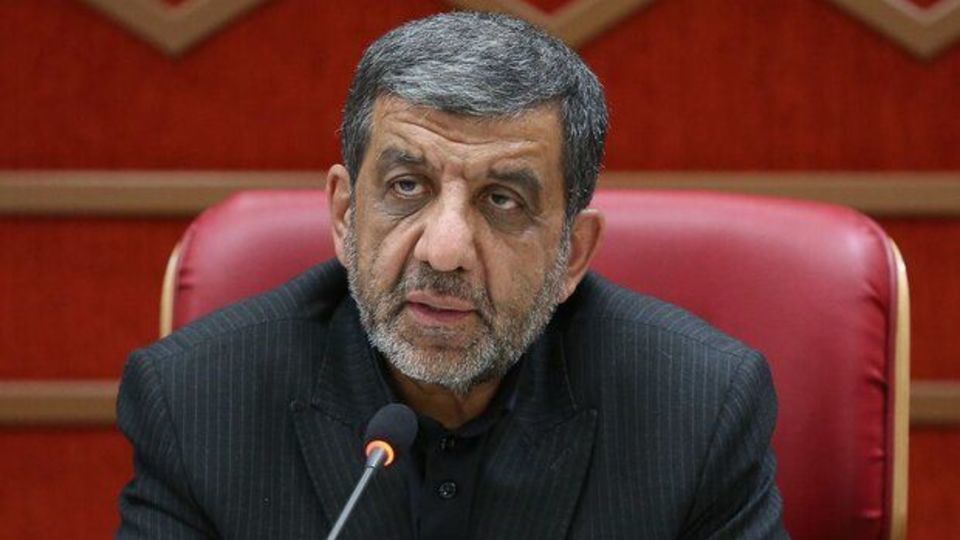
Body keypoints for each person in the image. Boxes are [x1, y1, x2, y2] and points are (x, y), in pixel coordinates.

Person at [116, 11, 786, 539]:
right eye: (407, 186)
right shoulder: (195, 403)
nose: (444, 251)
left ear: (572, 255)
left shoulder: (697, 410)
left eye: (503, 200)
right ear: (346, 216)